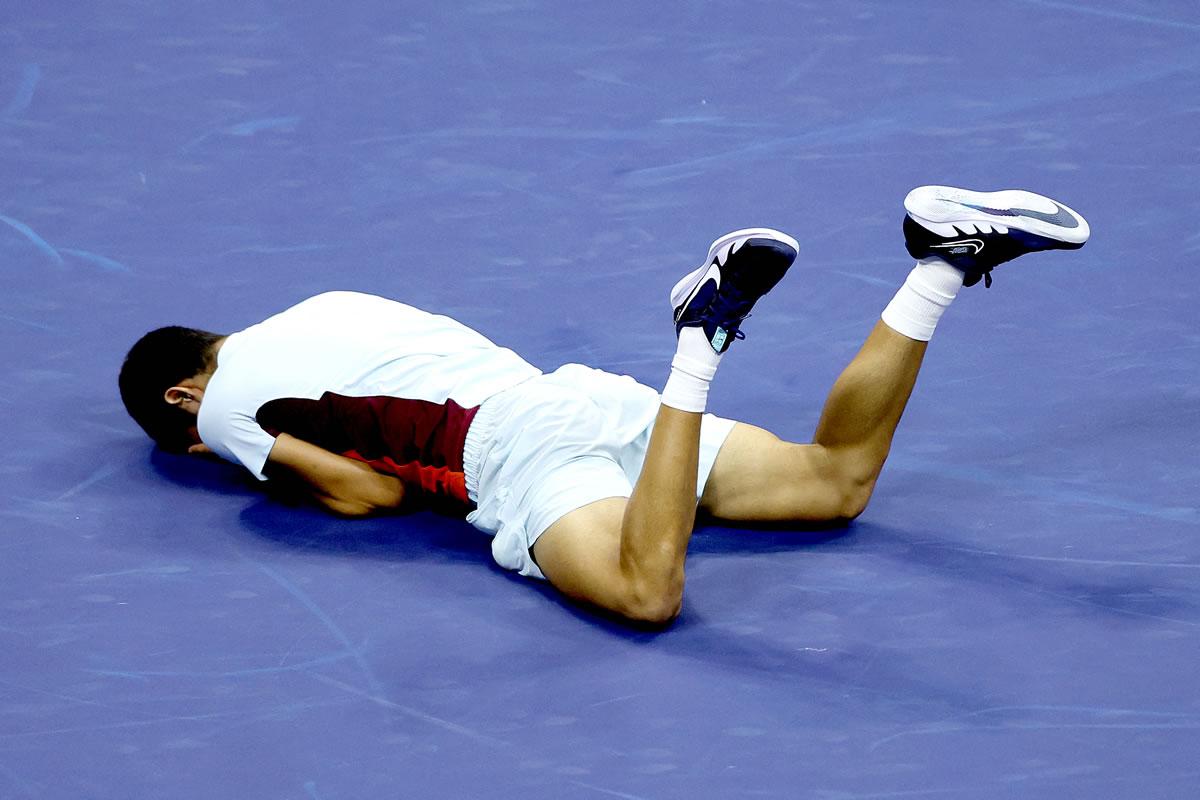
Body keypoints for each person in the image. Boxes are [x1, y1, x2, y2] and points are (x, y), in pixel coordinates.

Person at [119, 185, 1089, 625]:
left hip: (521, 459)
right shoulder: (327, 299)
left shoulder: (222, 411)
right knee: (832, 481)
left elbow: (366, 493)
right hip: (580, 397)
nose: (199, 449)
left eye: (184, 434)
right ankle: (942, 260)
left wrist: (276, 475)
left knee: (644, 593)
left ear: (182, 394)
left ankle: (697, 343)